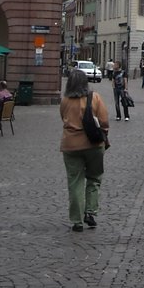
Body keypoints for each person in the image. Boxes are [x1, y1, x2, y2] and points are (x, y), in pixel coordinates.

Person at [60, 67, 109, 232]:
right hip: (93, 145)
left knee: (75, 183)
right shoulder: (94, 97)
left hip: (71, 145)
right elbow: (104, 121)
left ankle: (77, 221)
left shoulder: (65, 100)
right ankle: (90, 212)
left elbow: (63, 118)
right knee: (94, 178)